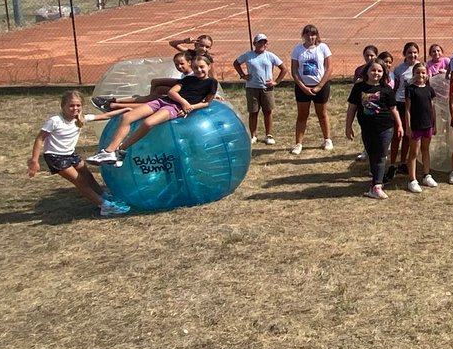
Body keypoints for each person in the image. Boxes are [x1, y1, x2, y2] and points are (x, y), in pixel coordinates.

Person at [88, 54, 219, 165]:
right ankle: (109, 152)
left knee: (148, 123)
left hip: (174, 108)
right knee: (127, 117)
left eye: (202, 67)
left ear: (208, 66)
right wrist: (185, 102)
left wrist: (190, 107)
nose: (199, 70)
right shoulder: (188, 79)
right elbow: (172, 92)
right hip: (164, 101)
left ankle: (121, 150)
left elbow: (207, 103)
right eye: (196, 68)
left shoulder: (211, 83)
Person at [29, 91, 130, 216]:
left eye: (78, 105)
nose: (75, 108)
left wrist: (127, 109)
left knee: (88, 176)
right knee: (81, 182)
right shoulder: (55, 121)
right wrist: (34, 160)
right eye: (71, 105)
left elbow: (106, 116)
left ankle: (104, 197)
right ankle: (105, 207)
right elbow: (40, 139)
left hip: (70, 154)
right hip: (55, 157)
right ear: (63, 106)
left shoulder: (80, 119)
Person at [345, 59, 401, 200]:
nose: (376, 73)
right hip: (367, 128)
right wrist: (348, 126)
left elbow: (393, 109)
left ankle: (377, 185)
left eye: (379, 71)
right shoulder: (359, 88)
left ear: (384, 73)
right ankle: (374, 184)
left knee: (381, 155)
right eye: (373, 70)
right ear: (367, 72)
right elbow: (352, 108)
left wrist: (399, 125)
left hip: (385, 127)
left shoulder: (386, 89)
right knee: (372, 154)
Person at [233, 34, 286, 145]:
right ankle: (253, 135)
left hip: (267, 88)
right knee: (253, 112)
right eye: (259, 42)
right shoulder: (248, 55)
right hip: (252, 88)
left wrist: (276, 81)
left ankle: (269, 135)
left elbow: (283, 68)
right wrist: (243, 75)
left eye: (264, 42)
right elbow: (236, 63)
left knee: (267, 112)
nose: (262, 44)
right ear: (254, 44)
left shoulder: (270, 56)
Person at [290, 23, 333, 155]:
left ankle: (327, 139)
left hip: (320, 87)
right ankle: (298, 144)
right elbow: (294, 70)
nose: (311, 37)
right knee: (302, 115)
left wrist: (319, 86)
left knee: (322, 114)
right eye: (308, 34)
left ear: (317, 35)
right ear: (303, 35)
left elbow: (329, 68)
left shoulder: (323, 48)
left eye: (313, 34)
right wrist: (302, 86)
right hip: (303, 88)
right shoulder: (298, 50)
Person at [403, 62, 442, 194]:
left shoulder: (429, 89)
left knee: (426, 150)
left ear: (427, 74)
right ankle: (412, 180)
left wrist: (434, 124)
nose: (421, 75)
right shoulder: (410, 89)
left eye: (423, 72)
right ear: (414, 74)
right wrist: (408, 127)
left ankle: (426, 175)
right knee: (414, 152)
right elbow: (407, 110)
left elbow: (432, 108)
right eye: (418, 72)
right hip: (415, 126)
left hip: (428, 125)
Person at [390, 42, 420, 177]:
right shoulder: (399, 69)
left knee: (409, 134)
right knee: (397, 134)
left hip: (414, 104)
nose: (412, 55)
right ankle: (392, 164)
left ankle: (403, 162)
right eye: (409, 52)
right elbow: (396, 87)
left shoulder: (420, 67)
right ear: (404, 54)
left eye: (414, 52)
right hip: (400, 103)